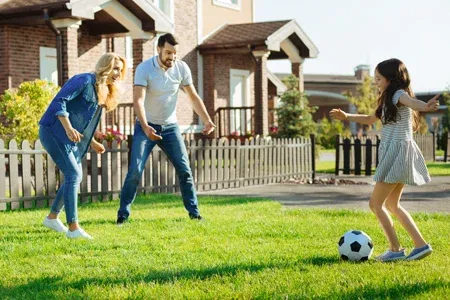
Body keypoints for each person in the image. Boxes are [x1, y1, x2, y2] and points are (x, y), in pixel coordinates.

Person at [330, 58, 439, 262]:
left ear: (390, 78)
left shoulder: (398, 94)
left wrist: (426, 106)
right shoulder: (387, 98)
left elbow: (413, 103)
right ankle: (421, 245)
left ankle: (396, 249)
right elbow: (370, 119)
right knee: (392, 205)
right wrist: (347, 116)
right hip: (397, 154)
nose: (376, 82)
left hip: (397, 154)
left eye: (378, 78)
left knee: (375, 204)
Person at [116, 33, 215, 225]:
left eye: (175, 53)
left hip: (170, 127)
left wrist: (207, 120)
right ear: (158, 49)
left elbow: (193, 96)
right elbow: (138, 100)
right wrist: (145, 126)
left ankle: (194, 214)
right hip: (146, 126)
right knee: (135, 171)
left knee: (185, 170)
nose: (172, 57)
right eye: (168, 52)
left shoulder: (181, 68)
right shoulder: (144, 68)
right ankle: (122, 215)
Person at [39, 53, 127, 239]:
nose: (118, 73)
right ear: (105, 67)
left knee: (75, 176)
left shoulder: (100, 90)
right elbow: (59, 102)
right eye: (115, 68)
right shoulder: (84, 80)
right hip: (52, 130)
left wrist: (93, 142)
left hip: (67, 135)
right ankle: (73, 228)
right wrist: (68, 127)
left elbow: (83, 121)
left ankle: (52, 217)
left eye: (120, 69)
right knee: (74, 174)